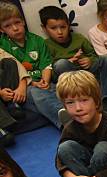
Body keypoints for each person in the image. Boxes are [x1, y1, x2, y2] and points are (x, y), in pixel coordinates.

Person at [39, 5, 107, 113]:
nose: (59, 32)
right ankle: (83, 99)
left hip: (87, 72)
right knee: (61, 64)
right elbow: (49, 68)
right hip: (69, 78)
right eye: (53, 28)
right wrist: (68, 61)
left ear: (68, 25)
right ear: (44, 28)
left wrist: (89, 60)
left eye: (63, 27)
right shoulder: (46, 45)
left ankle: (106, 101)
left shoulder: (79, 38)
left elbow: (94, 55)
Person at [0, 1, 65, 129]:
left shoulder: (37, 41)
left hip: (43, 84)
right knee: (36, 93)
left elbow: (46, 65)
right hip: (22, 90)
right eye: (8, 26)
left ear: (23, 21)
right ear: (1, 29)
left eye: (17, 22)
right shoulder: (3, 46)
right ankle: (67, 121)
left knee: (58, 88)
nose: (15, 28)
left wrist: (44, 81)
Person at [0, 47, 28, 146]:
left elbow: (17, 64)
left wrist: (22, 85)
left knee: (9, 62)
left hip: (5, 90)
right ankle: (4, 126)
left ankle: (11, 102)